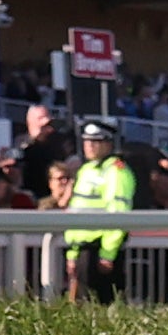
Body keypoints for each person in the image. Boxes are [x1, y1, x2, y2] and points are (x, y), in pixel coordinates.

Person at [65, 121, 137, 306]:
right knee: (79, 310)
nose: (89, 145)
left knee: (101, 310)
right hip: (81, 249)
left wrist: (108, 253)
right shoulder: (86, 170)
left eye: (96, 141)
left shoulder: (116, 171)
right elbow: (76, 211)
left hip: (100, 252)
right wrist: (72, 254)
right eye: (86, 141)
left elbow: (118, 214)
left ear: (108, 144)